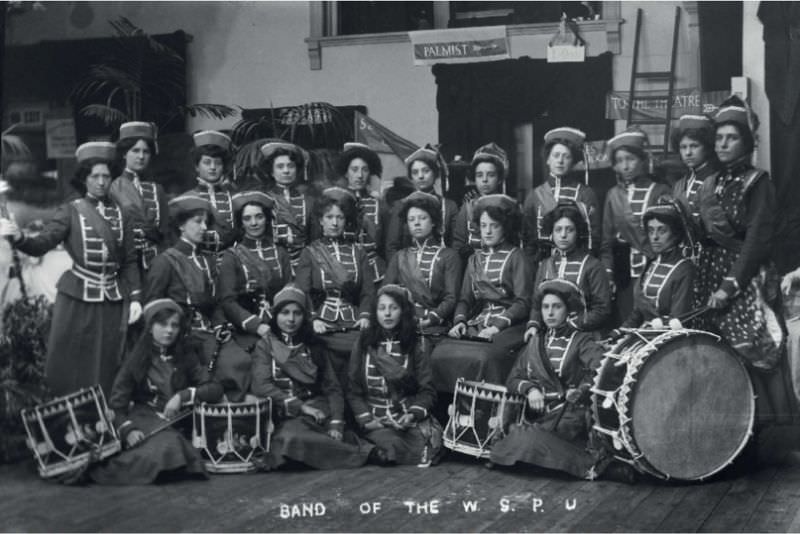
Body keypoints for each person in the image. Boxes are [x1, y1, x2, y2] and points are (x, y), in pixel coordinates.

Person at [0, 142, 141, 396]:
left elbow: (130, 260)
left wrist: (136, 298)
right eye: (94, 176)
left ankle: (106, 411)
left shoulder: (123, 214)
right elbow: (41, 244)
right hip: (77, 297)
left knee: (108, 356)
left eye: (106, 176)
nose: (101, 182)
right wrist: (20, 237)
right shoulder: (70, 211)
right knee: (71, 358)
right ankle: (71, 414)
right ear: (84, 179)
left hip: (112, 297)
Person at [697, 96, 794, 422]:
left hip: (746, 282)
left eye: (732, 137)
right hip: (710, 277)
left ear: (747, 142)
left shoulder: (759, 183)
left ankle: (773, 434)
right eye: (719, 137)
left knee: (756, 354)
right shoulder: (712, 182)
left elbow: (756, 242)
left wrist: (730, 286)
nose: (723, 144)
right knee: (720, 356)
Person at [489, 280, 620, 481]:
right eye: (545, 307)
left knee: (524, 438)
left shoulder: (581, 341)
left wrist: (580, 390)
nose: (550, 313)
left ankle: (570, 461)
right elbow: (514, 378)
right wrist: (530, 389)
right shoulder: (535, 342)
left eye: (557, 307)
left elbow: (601, 370)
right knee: (522, 433)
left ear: (568, 311)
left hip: (568, 416)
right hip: (538, 414)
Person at [89, 299, 224, 484]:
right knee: (168, 445)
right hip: (145, 419)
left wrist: (182, 397)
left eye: (174, 325)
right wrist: (128, 430)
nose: (169, 330)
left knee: (174, 443)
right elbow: (116, 406)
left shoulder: (186, 356)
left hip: (176, 423)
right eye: (162, 324)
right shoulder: (135, 360)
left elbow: (214, 388)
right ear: (150, 327)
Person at [250, 285, 382, 469]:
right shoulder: (265, 346)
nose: (291, 319)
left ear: (304, 317)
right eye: (285, 313)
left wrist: (336, 422)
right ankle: (362, 454)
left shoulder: (314, 345)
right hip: (283, 413)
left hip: (317, 410)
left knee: (323, 432)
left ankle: (343, 448)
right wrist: (301, 407)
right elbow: (261, 386)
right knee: (289, 437)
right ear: (275, 315)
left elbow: (332, 388)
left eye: (297, 313)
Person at [145, 194, 252, 402]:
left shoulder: (207, 260)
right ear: (181, 226)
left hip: (209, 331)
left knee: (241, 360)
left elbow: (218, 301)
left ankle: (231, 414)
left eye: (205, 222)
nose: (204, 228)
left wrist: (220, 324)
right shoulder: (165, 261)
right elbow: (153, 306)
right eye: (197, 222)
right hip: (180, 335)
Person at [431, 194, 531, 393]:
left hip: (511, 325)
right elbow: (465, 299)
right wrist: (459, 321)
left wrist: (497, 327)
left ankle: (489, 413)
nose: (488, 231)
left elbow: (523, 302)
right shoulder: (474, 260)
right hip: (479, 321)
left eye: (494, 225)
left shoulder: (517, 257)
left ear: (505, 227)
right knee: (440, 353)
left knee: (486, 357)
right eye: (484, 225)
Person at [347, 284, 441, 466]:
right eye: (382, 309)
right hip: (375, 418)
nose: (387, 314)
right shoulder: (364, 342)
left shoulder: (418, 343)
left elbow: (427, 391)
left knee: (428, 444)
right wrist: (367, 420)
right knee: (390, 443)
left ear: (403, 312)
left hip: (404, 417)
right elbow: (353, 390)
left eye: (393, 308)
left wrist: (412, 415)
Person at [295, 187, 375, 385]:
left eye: (339, 217)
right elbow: (302, 292)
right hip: (322, 320)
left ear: (345, 220)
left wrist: (364, 315)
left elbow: (367, 292)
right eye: (329, 217)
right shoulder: (310, 252)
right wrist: (313, 319)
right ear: (321, 220)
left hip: (353, 319)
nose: (334, 222)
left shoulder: (358, 252)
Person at [600, 128, 671, 320]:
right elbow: (606, 243)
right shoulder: (613, 195)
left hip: (654, 266)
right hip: (624, 273)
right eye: (620, 161)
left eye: (630, 159)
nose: (626, 166)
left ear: (642, 160)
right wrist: (608, 273)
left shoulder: (660, 191)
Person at [217, 190, 291, 356]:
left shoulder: (280, 253)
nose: (254, 223)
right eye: (247, 218)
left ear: (266, 219)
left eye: (259, 217)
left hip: (281, 324)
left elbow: (289, 291)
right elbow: (228, 301)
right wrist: (256, 325)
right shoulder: (232, 256)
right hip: (246, 329)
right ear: (241, 223)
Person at [525, 200, 611, 341]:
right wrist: (533, 325)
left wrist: (570, 325)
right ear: (551, 233)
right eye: (558, 230)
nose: (563, 235)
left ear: (578, 232)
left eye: (569, 230)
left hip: (582, 334)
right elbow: (536, 305)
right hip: (549, 335)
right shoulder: (545, 265)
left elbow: (601, 310)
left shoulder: (593, 266)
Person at [384, 191, 462, 340]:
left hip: (434, 325)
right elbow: (386, 292)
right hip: (401, 323)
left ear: (433, 222)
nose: (417, 223)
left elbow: (451, 298)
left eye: (422, 218)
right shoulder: (399, 256)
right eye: (411, 219)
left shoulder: (449, 256)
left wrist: (431, 318)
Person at [610, 197, 696, 333]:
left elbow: (679, 320)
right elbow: (638, 313)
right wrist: (620, 332)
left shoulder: (684, 269)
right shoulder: (651, 264)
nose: (655, 237)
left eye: (662, 231)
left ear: (675, 233)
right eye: (650, 231)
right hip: (646, 333)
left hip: (671, 338)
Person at [522, 127, 600, 264]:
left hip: (577, 266)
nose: (560, 161)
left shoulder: (585, 194)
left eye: (566, 156)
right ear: (547, 160)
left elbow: (593, 239)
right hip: (543, 266)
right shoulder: (534, 196)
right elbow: (528, 240)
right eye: (556, 155)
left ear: (573, 162)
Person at [109, 121, 169, 273]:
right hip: (126, 264)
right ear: (124, 153)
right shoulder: (113, 188)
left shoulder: (157, 190)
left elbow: (165, 233)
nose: (141, 156)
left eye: (146, 151)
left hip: (155, 264)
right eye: (135, 151)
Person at [384, 145, 458, 258]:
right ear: (411, 177)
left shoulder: (448, 206)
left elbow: (455, 245)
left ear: (435, 173)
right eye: (415, 172)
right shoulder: (401, 205)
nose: (421, 176)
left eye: (426, 171)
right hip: (408, 269)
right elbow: (392, 247)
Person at [337, 142, 389, 283]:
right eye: (354, 169)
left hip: (375, 273)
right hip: (343, 270)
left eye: (364, 170)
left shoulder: (379, 204)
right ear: (346, 173)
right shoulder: (335, 202)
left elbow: (385, 243)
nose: (359, 175)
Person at [260, 141, 314, 270]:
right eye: (280, 166)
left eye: (291, 166)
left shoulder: (309, 201)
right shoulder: (263, 199)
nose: (286, 171)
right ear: (271, 172)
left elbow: (314, 238)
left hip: (304, 262)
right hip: (273, 263)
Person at [183, 130, 238, 256]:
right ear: (197, 166)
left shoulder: (234, 198)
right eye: (207, 162)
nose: (213, 167)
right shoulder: (186, 200)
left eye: (218, 163)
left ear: (223, 166)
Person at [452, 143, 509, 261]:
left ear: (499, 179)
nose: (484, 180)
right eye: (479, 175)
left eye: (491, 175)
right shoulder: (468, 207)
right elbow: (458, 242)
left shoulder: (508, 207)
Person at [670, 114, 720, 231]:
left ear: (707, 147)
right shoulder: (681, 184)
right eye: (683, 147)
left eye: (694, 146)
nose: (688, 153)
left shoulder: (717, 179)